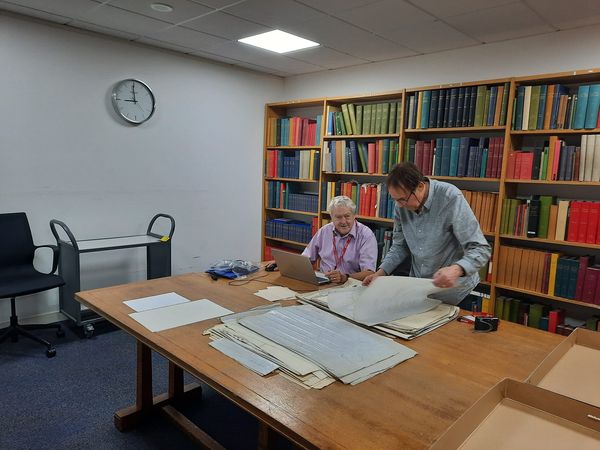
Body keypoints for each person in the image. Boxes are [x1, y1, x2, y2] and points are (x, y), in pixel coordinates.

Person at [363, 162, 491, 305]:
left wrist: (456, 269)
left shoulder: (450, 197)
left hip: (455, 292)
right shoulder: (401, 205)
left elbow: (481, 249)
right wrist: (380, 273)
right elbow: (400, 246)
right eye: (395, 200)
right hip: (420, 289)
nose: (399, 205)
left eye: (403, 199)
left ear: (420, 186)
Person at [302, 195, 377, 283]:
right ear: (331, 217)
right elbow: (306, 259)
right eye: (338, 217)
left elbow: (369, 273)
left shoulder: (366, 235)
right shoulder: (324, 231)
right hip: (324, 282)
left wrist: (345, 278)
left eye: (347, 216)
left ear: (354, 216)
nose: (343, 221)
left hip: (350, 285)